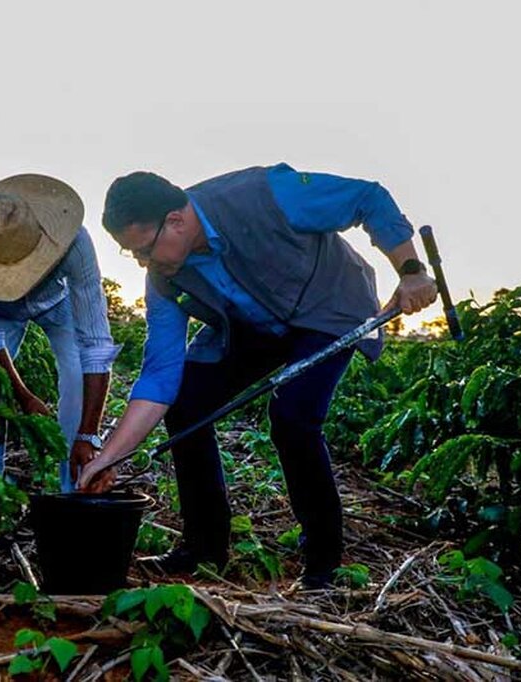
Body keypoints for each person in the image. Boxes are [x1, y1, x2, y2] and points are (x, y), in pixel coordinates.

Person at [76, 164, 437, 588]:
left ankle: (323, 561)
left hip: (327, 309)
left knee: (293, 418)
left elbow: (366, 197)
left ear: (175, 220)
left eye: (144, 249)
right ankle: (204, 547)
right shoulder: (164, 280)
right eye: (131, 253)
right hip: (255, 328)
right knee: (188, 406)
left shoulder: (263, 193)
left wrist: (410, 269)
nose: (142, 262)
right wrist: (109, 458)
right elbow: (159, 377)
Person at [0, 174, 120, 496]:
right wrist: (25, 397)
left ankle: (74, 489)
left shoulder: (75, 244)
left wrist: (89, 433)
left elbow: (96, 343)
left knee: (76, 377)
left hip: (57, 304)